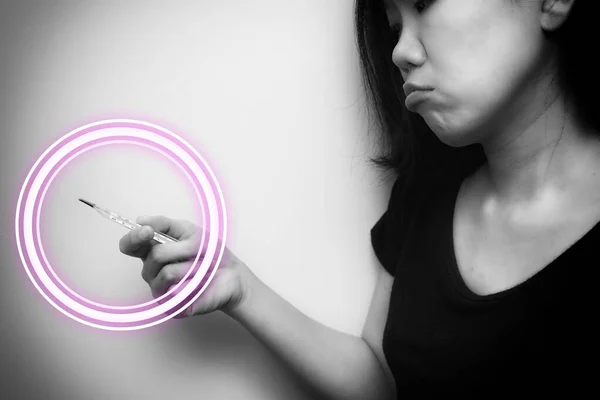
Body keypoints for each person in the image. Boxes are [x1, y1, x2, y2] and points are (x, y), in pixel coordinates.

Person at [119, 0, 598, 397]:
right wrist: (238, 286)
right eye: (393, 26)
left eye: (426, 4)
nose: (401, 52)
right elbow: (385, 382)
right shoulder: (426, 197)